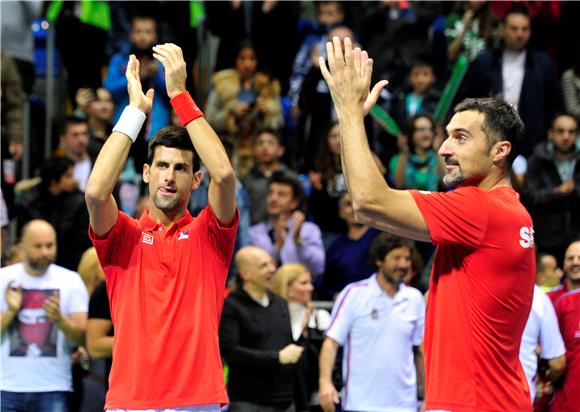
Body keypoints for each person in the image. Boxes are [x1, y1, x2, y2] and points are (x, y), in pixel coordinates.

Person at [319, 36, 535, 410]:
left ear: (500, 152)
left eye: (460, 138)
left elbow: (369, 202)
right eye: (447, 136)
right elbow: (370, 201)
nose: (443, 148)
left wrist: (349, 113)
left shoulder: (479, 209)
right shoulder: (505, 210)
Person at [85, 43, 238, 410]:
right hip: (130, 400)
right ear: (146, 173)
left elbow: (226, 174)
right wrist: (135, 114)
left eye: (181, 168)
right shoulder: (123, 236)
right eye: (163, 166)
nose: (170, 177)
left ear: (196, 179)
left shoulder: (210, 234)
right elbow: (94, 192)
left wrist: (180, 95)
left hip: (198, 400)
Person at [319, 233, 425, 412]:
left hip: (405, 405)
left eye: (407, 258)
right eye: (397, 258)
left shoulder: (414, 298)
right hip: (360, 404)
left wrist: (428, 395)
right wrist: (325, 383)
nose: (403, 265)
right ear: (379, 261)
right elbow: (331, 342)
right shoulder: (354, 294)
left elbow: (420, 351)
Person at [0, 219, 88, 412]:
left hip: (54, 385)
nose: (45, 252)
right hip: (6, 386)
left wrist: (59, 319)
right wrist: (11, 311)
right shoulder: (3, 279)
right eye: (38, 246)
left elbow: (82, 338)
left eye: (50, 245)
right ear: (22, 246)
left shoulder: (71, 281)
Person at [455, 6, 563, 158]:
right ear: (502, 30)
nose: (520, 34)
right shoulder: (483, 61)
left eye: (525, 29)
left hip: (533, 141)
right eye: (514, 29)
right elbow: (466, 99)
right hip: (490, 137)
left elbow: (555, 104)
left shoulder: (542, 63)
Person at [219, 246, 303, 412]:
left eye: (271, 264)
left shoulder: (280, 303)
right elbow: (231, 352)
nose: (272, 269)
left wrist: (302, 402)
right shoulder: (231, 306)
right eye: (264, 266)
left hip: (285, 399)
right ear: (245, 273)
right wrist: (276, 357)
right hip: (249, 401)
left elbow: (290, 352)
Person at [272, 263, 331, 411]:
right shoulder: (272, 317)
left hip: (314, 394)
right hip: (281, 394)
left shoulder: (320, 317)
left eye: (310, 282)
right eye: (304, 283)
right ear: (287, 286)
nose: (310, 288)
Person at [16, 156, 92, 271]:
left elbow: (81, 242)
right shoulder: (29, 201)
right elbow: (24, 238)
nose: (74, 180)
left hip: (70, 264)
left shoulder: (79, 201)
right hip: (36, 261)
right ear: (54, 181)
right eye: (68, 176)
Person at [523, 113, 580, 264]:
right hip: (547, 238)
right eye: (561, 131)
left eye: (571, 131)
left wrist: (574, 190)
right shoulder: (537, 160)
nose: (566, 136)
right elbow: (529, 197)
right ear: (551, 133)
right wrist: (555, 192)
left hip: (577, 236)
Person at [249, 173, 325, 279]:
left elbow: (318, 268)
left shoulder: (309, 230)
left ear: (294, 202)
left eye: (281, 194)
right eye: (270, 193)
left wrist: (297, 239)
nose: (273, 198)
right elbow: (254, 270)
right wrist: (278, 244)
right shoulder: (255, 232)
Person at [318, 193, 379, 301]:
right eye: (348, 204)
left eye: (359, 204)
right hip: (350, 305)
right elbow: (325, 286)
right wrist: (335, 295)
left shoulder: (382, 237)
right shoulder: (336, 247)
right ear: (341, 212)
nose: (354, 208)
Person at [240, 128, 298, 225]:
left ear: (280, 150)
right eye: (260, 143)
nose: (265, 147)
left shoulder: (291, 178)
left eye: (270, 143)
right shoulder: (245, 180)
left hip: (286, 231)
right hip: (254, 234)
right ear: (253, 150)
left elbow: (300, 209)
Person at [519, 285, 566, 403]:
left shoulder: (472, 289)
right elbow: (557, 364)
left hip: (476, 396)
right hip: (520, 396)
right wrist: (549, 379)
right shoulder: (538, 297)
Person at [550, 240, 580, 412]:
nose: (575, 262)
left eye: (579, 257)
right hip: (559, 397)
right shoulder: (547, 301)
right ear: (563, 264)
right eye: (570, 258)